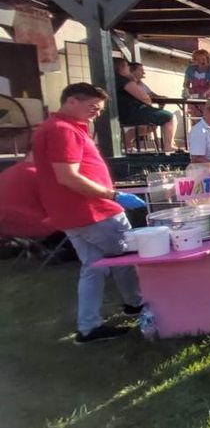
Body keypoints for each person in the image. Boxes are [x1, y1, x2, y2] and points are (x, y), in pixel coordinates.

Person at [33, 83, 146, 343]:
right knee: (126, 256)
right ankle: (135, 303)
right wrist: (114, 195)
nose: (97, 113)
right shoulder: (63, 130)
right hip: (94, 212)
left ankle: (89, 327)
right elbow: (68, 177)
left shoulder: (53, 128)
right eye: (93, 107)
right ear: (72, 101)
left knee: (93, 267)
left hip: (72, 214)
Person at [118, 60, 175, 151]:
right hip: (132, 113)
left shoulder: (113, 80)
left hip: (120, 114)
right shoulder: (125, 81)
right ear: (121, 68)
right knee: (169, 116)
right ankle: (169, 146)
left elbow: (150, 94)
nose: (128, 68)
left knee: (152, 124)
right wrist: (147, 101)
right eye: (126, 66)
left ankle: (127, 143)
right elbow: (144, 98)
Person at [183, 49, 210, 116]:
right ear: (194, 60)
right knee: (195, 116)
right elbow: (186, 83)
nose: (200, 61)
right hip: (194, 95)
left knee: (208, 115)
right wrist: (186, 90)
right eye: (198, 59)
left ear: (207, 59)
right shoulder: (191, 69)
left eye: (203, 59)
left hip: (209, 95)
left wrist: (204, 94)